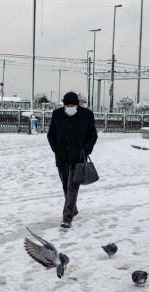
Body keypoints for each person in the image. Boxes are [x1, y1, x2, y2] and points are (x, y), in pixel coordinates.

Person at [47, 92, 98, 228]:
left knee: (72, 187)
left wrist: (86, 150)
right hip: (61, 156)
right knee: (65, 186)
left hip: (78, 157)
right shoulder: (57, 114)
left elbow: (92, 135)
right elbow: (51, 134)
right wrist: (56, 149)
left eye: (72, 105)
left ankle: (67, 218)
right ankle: (73, 209)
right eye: (67, 105)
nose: (70, 107)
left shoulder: (87, 115)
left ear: (77, 105)